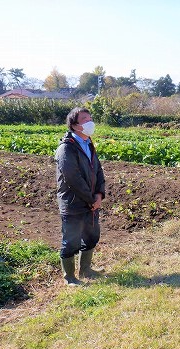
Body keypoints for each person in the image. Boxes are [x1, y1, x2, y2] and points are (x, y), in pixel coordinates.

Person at [55, 107, 105, 286]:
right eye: (85, 119)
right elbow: (72, 179)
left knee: (92, 236)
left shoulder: (89, 144)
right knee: (71, 241)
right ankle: (69, 278)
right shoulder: (66, 148)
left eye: (90, 118)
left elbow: (98, 170)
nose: (90, 121)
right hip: (74, 203)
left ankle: (86, 270)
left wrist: (99, 194)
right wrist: (91, 199)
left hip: (92, 202)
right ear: (75, 126)